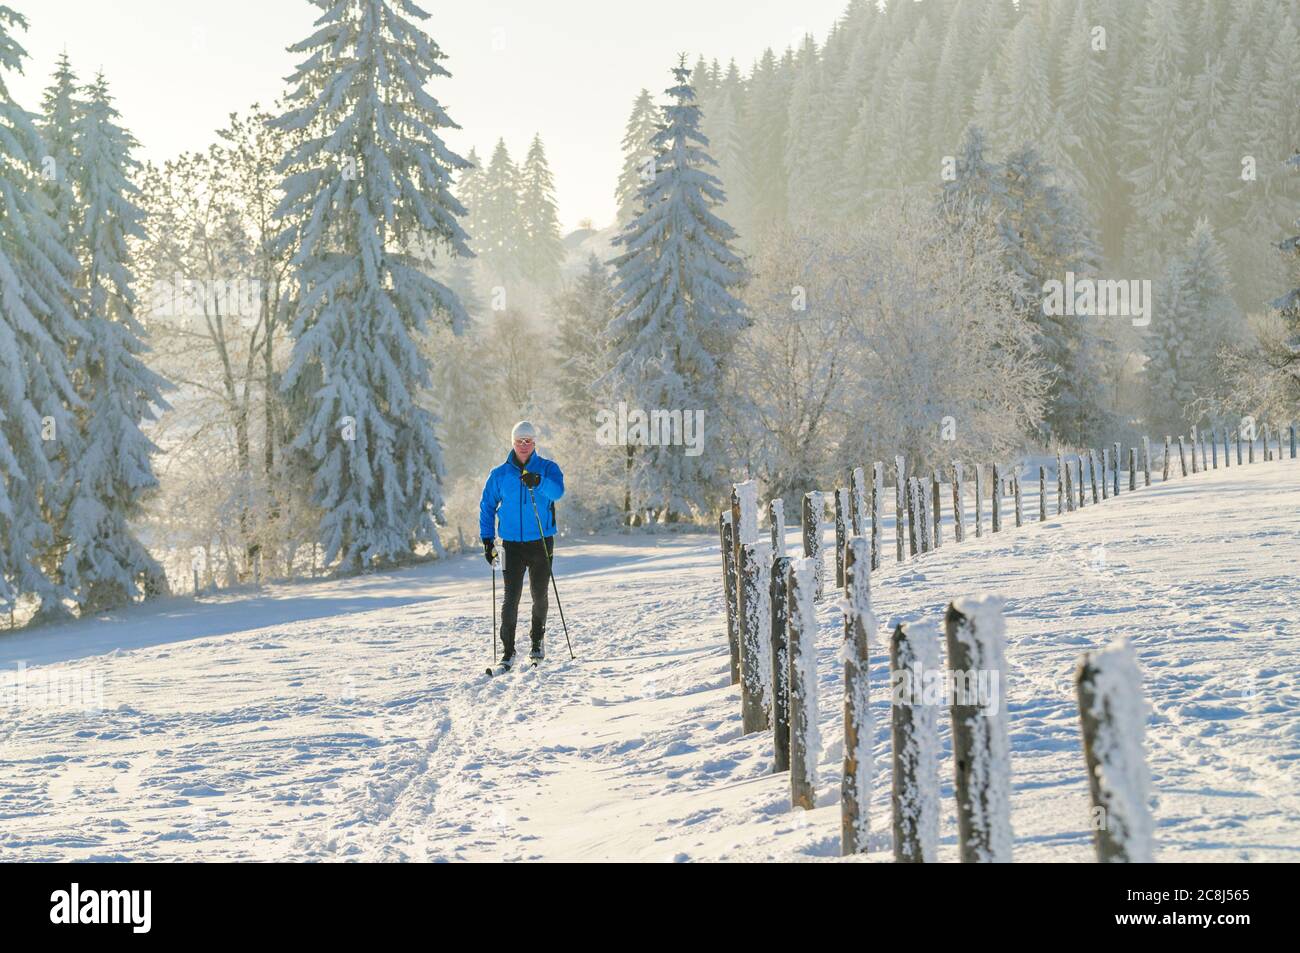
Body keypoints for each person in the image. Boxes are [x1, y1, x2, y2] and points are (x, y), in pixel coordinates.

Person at [479, 421, 565, 668]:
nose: (524, 445)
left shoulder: (548, 469)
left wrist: (539, 482)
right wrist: (487, 541)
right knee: (511, 597)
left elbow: (558, 492)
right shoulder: (499, 475)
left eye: (528, 441)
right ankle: (508, 651)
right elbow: (487, 507)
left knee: (539, 594)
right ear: (513, 442)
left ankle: (537, 642)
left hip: (541, 541)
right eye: (519, 441)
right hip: (510, 545)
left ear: (535, 442)